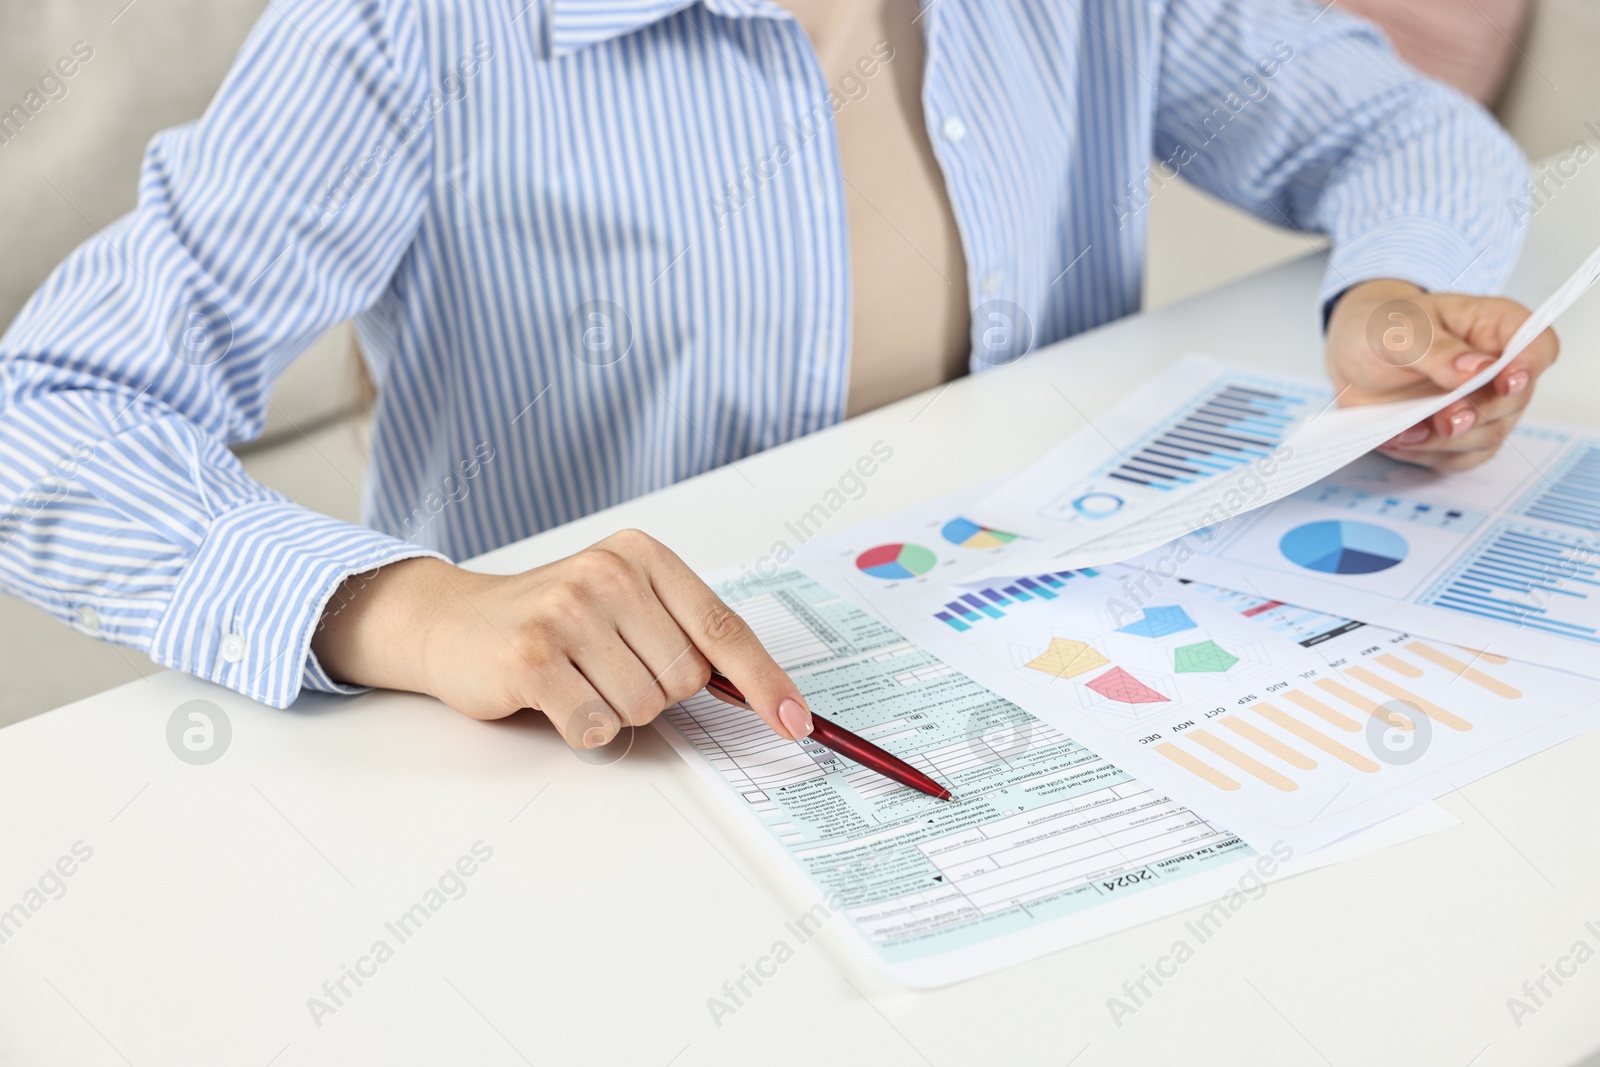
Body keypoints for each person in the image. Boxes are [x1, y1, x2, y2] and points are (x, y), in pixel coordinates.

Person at [0, 0, 1559, 750]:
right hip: (601, 763)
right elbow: (54, 412)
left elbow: (1397, 129)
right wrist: (409, 607)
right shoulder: (411, 32)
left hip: (1052, 688)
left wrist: (1393, 304)